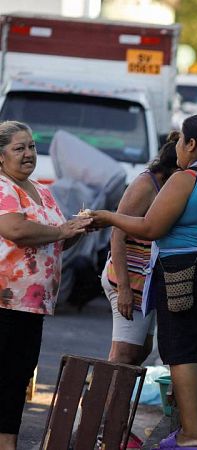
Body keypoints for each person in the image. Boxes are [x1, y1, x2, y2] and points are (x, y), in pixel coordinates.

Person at [90, 114, 197, 450]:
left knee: (181, 353)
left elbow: (150, 228)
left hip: (182, 271)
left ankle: (192, 436)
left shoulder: (185, 179)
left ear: (192, 144)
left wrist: (106, 217)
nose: (177, 146)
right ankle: (196, 429)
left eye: (180, 140)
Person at [0, 121, 90, 450]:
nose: (28, 154)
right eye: (18, 148)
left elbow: (52, 241)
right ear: (0, 156)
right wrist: (63, 231)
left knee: (17, 377)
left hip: (34, 304)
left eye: (32, 147)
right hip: (5, 301)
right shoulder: (2, 187)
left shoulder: (43, 189)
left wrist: (74, 230)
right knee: (4, 376)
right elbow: (16, 230)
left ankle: (7, 442)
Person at [101, 132, 181, 369]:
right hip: (128, 280)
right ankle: (97, 405)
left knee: (139, 351)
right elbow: (117, 234)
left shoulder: (170, 186)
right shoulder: (147, 184)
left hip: (147, 283)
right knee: (124, 355)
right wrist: (124, 289)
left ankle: (110, 404)